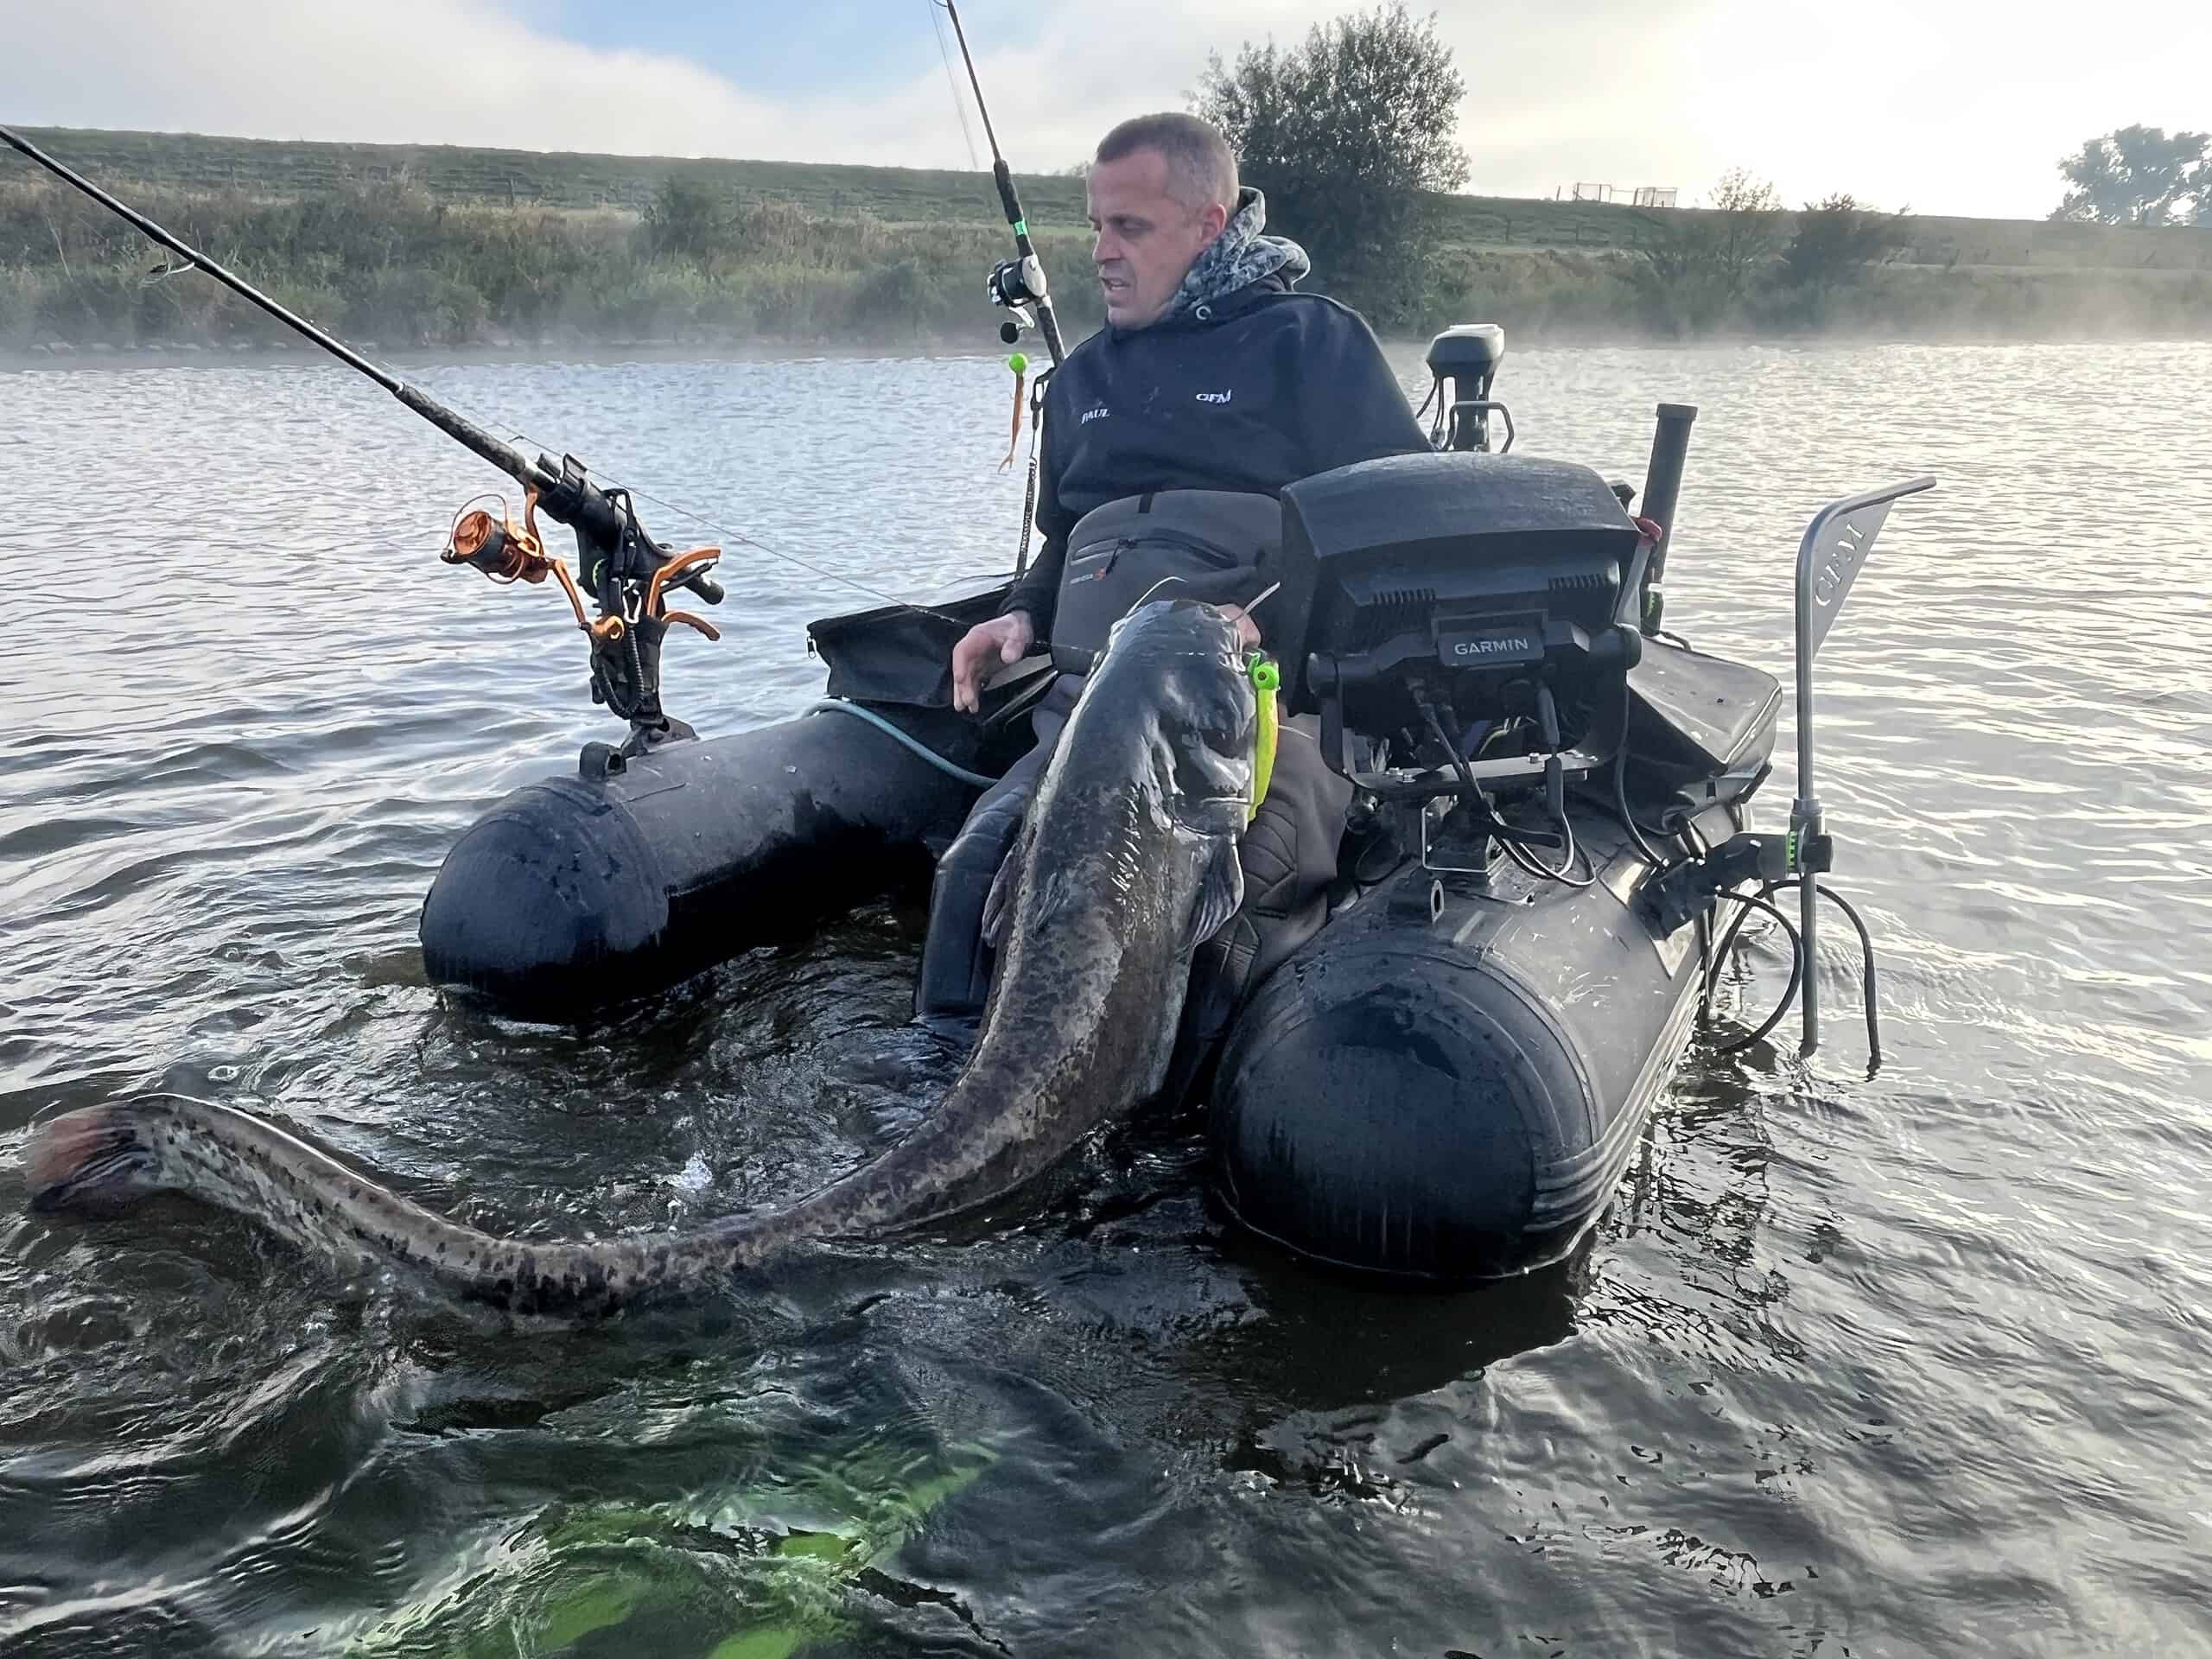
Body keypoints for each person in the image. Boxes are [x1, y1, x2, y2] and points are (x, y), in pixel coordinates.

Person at [916, 111, 1430, 1033]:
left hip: (1263, 725)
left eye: (1131, 228)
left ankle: (1174, 1149)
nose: (1102, 252)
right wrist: (1020, 618)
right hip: (1085, 725)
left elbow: (1397, 537)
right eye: (1095, 226)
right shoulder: (1079, 386)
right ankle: (943, 1099)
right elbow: (1065, 539)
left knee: (1224, 925)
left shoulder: (1309, 343)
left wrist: (1273, 625)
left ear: (1209, 224)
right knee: (970, 874)